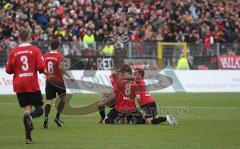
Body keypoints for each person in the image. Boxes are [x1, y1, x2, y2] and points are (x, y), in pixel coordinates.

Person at [5, 30, 45, 144]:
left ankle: (28, 138)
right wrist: (40, 70)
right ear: (29, 38)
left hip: (19, 84)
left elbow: (8, 70)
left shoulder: (14, 51)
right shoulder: (35, 50)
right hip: (31, 83)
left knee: (27, 110)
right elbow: (41, 66)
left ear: (19, 39)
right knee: (40, 110)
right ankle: (30, 117)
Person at [43, 39, 74, 128]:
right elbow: (61, 67)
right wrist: (69, 76)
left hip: (49, 81)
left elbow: (44, 69)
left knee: (49, 101)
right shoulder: (59, 56)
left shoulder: (46, 56)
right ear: (58, 47)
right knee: (63, 99)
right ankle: (57, 118)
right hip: (58, 81)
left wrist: (48, 75)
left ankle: (45, 119)